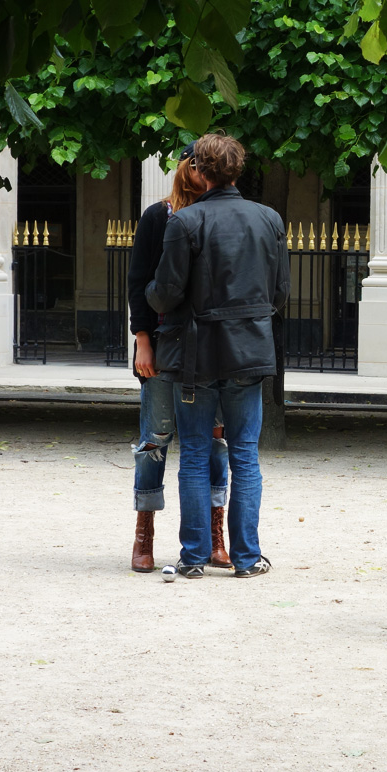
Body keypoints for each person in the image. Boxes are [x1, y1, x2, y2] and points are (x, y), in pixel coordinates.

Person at [146, 133, 289, 579]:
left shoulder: (185, 222)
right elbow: (280, 292)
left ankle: (193, 558)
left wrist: (150, 292)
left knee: (193, 453)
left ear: (200, 170)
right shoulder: (269, 218)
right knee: (245, 454)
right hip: (249, 349)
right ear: (236, 169)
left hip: (196, 354)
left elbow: (166, 294)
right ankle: (247, 558)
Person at [126, 143, 230, 573]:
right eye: (194, 163)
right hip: (163, 343)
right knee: (155, 439)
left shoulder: (220, 215)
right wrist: (142, 339)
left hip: (212, 349)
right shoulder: (158, 216)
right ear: (184, 168)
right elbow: (139, 281)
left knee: (216, 442)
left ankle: (215, 533)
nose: (198, 171)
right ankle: (144, 533)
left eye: (205, 165)